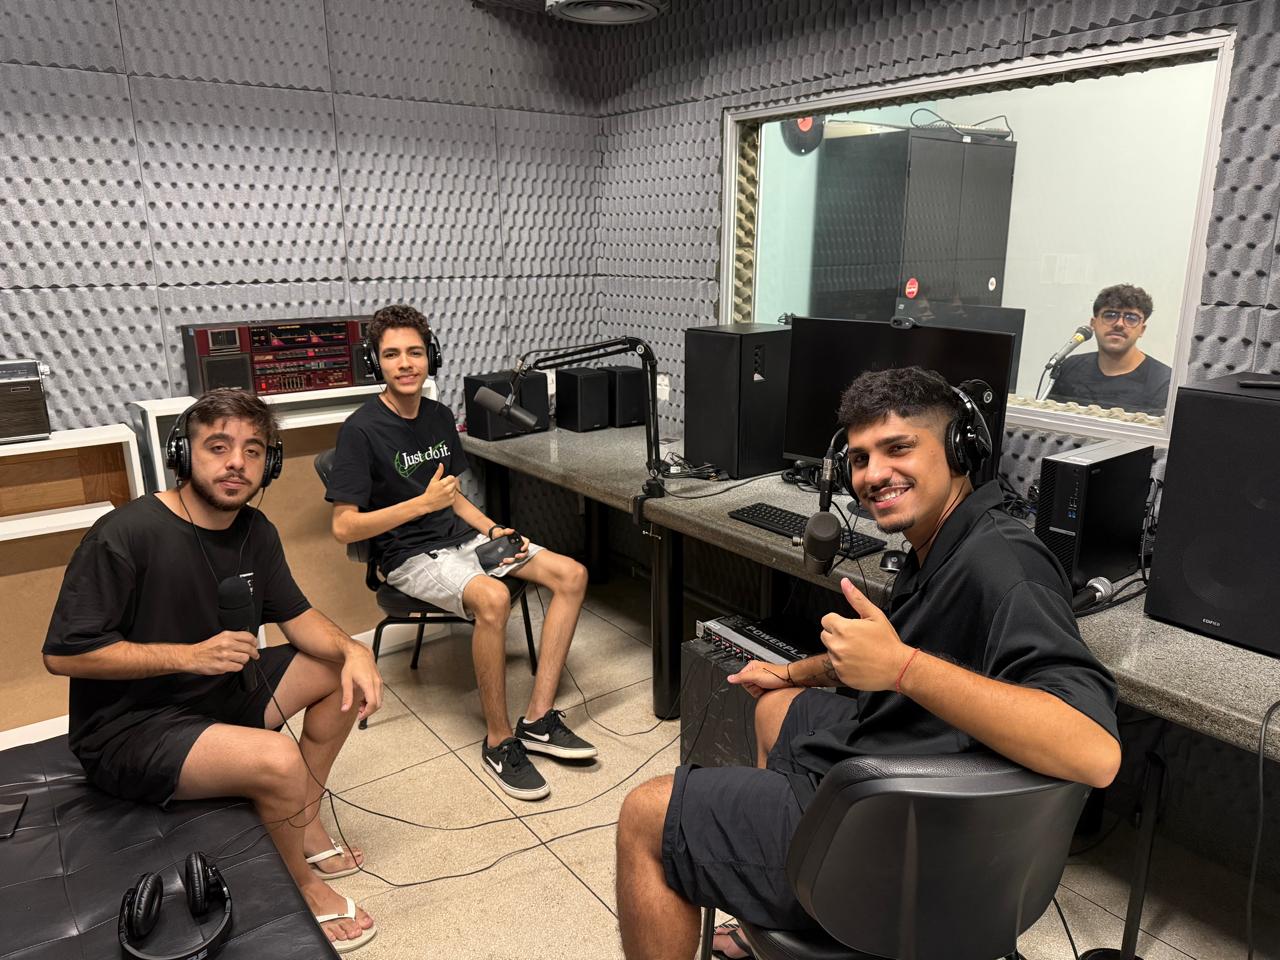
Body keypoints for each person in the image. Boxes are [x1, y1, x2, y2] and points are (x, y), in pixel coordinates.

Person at [615, 366, 1122, 960]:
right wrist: (791, 673)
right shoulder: (948, 543)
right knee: (777, 708)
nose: (873, 475)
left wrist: (903, 669)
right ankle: (771, 895)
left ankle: (802, 878)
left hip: (903, 837)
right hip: (907, 766)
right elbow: (894, 654)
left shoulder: (1004, 568)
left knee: (646, 816)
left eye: (898, 448)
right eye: (859, 458)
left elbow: (1095, 752)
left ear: (958, 450)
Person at [42, 388, 384, 954]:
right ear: (184, 455)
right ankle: (299, 882)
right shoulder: (124, 534)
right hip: (131, 729)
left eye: (253, 451)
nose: (236, 463)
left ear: (270, 463)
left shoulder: (256, 530)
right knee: (278, 757)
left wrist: (355, 651)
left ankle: (305, 818)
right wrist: (188, 655)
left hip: (219, 695)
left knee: (336, 671)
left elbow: (297, 616)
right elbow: (63, 655)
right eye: (218, 447)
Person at [325, 303, 595, 802]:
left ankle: (538, 719)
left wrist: (492, 528)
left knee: (572, 574)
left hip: (462, 539)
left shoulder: (438, 416)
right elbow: (343, 527)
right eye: (392, 354)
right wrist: (419, 505)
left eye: (414, 352)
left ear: (431, 356)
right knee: (493, 598)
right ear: (375, 362)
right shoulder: (360, 430)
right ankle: (498, 742)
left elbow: (451, 497)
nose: (405, 364)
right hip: (408, 556)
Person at [1046, 283, 1172, 415]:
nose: (1119, 324)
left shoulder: (1164, 382)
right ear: (1093, 324)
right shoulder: (1070, 368)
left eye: (1131, 318)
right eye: (1110, 315)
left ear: (1142, 330)